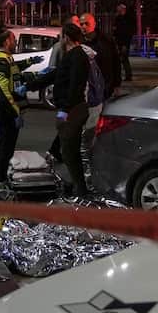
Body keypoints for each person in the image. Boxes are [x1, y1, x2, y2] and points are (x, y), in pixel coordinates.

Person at [54, 24, 94, 196]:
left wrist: (65, 109)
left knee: (70, 151)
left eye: (62, 36)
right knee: (70, 150)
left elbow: (75, 86)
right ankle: (79, 186)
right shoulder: (74, 55)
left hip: (74, 110)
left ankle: (81, 189)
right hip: (74, 108)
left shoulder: (77, 56)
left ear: (67, 38)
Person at [0, 28, 25, 184]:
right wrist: (15, 111)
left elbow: (15, 74)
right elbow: (3, 88)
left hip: (3, 109)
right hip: (5, 111)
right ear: (6, 42)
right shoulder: (2, 60)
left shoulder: (5, 58)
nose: (15, 42)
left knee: (1, 146)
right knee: (5, 147)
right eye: (13, 39)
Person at [81, 12, 121, 98]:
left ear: (94, 24)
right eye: (81, 24)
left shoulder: (106, 41)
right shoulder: (78, 42)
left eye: (86, 23)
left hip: (106, 86)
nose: (83, 26)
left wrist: (117, 84)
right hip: (87, 89)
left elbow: (116, 62)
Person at [113, 2, 135, 81]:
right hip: (119, 41)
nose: (117, 10)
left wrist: (125, 44)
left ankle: (128, 75)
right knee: (121, 59)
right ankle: (123, 75)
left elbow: (128, 33)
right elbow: (115, 30)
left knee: (124, 58)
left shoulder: (127, 19)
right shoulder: (118, 18)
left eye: (119, 9)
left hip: (124, 42)